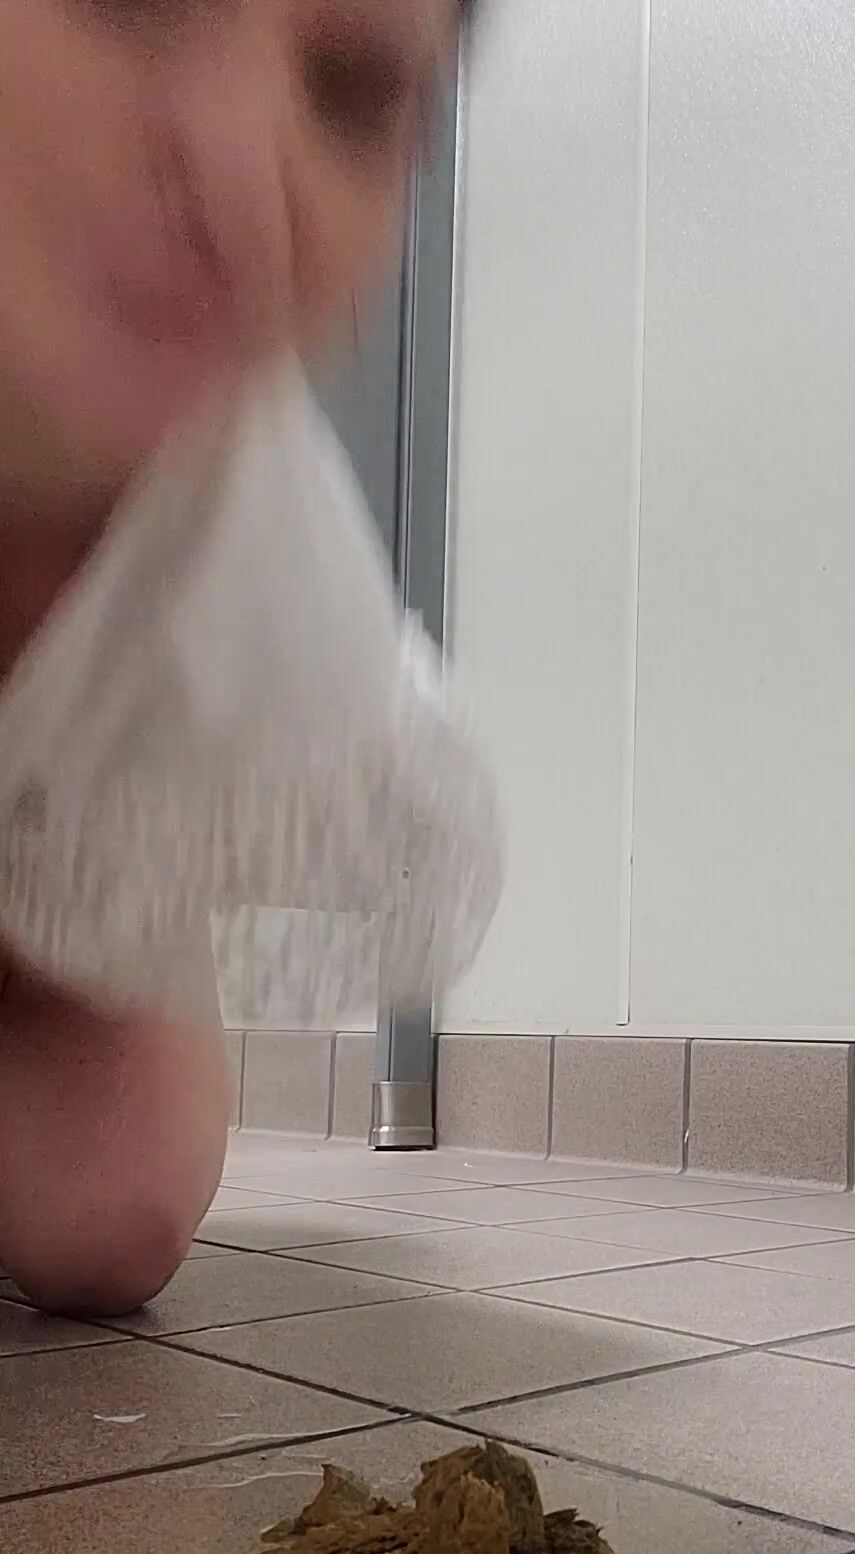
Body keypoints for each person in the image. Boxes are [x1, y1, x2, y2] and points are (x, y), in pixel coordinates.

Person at [0, 0, 492, 1321]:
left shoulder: (227, 543)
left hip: (66, 819)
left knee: (113, 1212)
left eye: (354, 92)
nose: (240, 181)